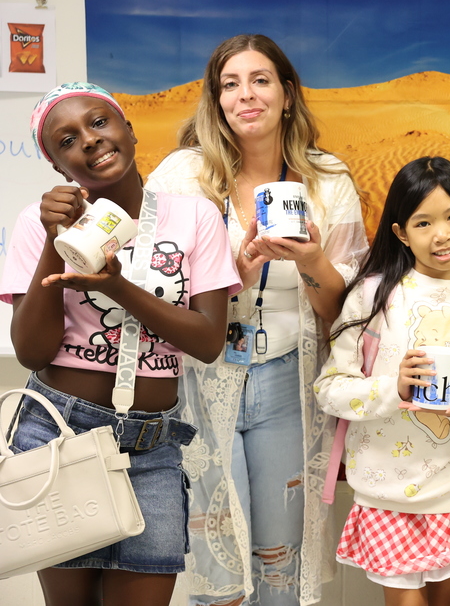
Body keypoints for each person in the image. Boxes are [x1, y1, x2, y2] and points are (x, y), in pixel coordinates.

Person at [145, 34, 368, 606]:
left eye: (261, 80)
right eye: (230, 84)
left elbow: (346, 312)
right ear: (216, 100)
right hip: (201, 380)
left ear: (287, 95)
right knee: (217, 567)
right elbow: (152, 291)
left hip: (288, 382)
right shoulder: (179, 178)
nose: (246, 95)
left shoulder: (327, 179)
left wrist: (314, 260)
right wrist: (234, 276)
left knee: (279, 562)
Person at [0, 82, 240, 606]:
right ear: (60, 168)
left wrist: (115, 287)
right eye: (66, 140)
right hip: (59, 435)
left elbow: (206, 342)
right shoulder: (34, 224)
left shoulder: (195, 217)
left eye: (98, 123)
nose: (87, 140)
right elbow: (33, 353)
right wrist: (51, 239)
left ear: (129, 131)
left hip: (152, 447)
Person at [314, 156, 450, 606]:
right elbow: (330, 389)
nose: (441, 234)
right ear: (401, 232)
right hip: (387, 494)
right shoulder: (372, 296)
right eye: (424, 223)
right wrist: (393, 388)